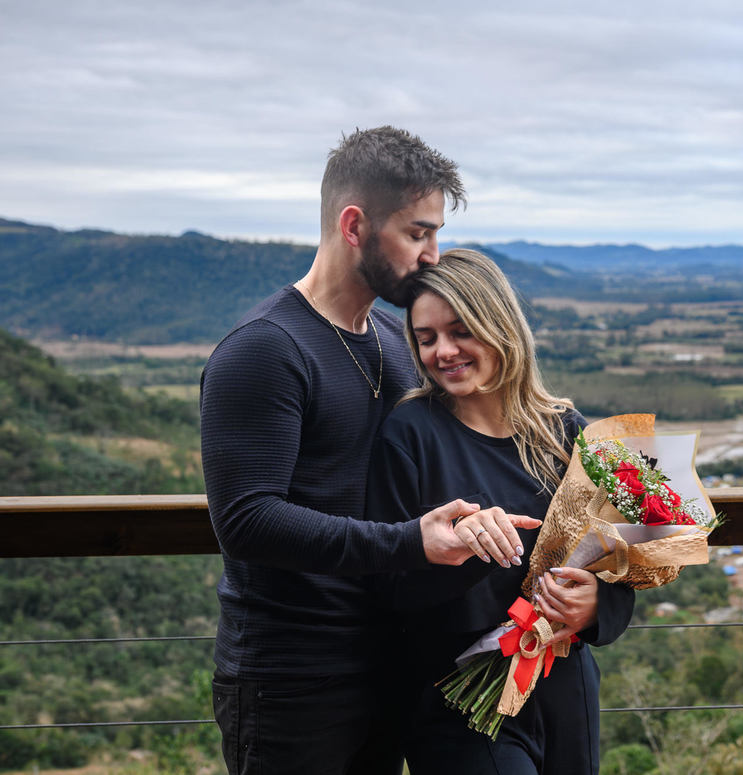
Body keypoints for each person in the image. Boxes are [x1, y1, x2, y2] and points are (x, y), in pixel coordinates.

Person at [200, 127, 537, 775]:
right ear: (354, 225)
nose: (434, 255)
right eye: (418, 233)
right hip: (293, 680)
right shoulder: (264, 351)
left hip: (394, 664)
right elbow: (246, 520)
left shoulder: (393, 334)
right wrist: (412, 541)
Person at [364, 248, 636, 775]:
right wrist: (466, 549)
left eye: (460, 331)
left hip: (565, 688)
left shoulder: (565, 430)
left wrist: (599, 604)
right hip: (459, 702)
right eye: (426, 339)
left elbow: (629, 553)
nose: (443, 352)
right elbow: (388, 590)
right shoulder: (409, 434)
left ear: (500, 324)